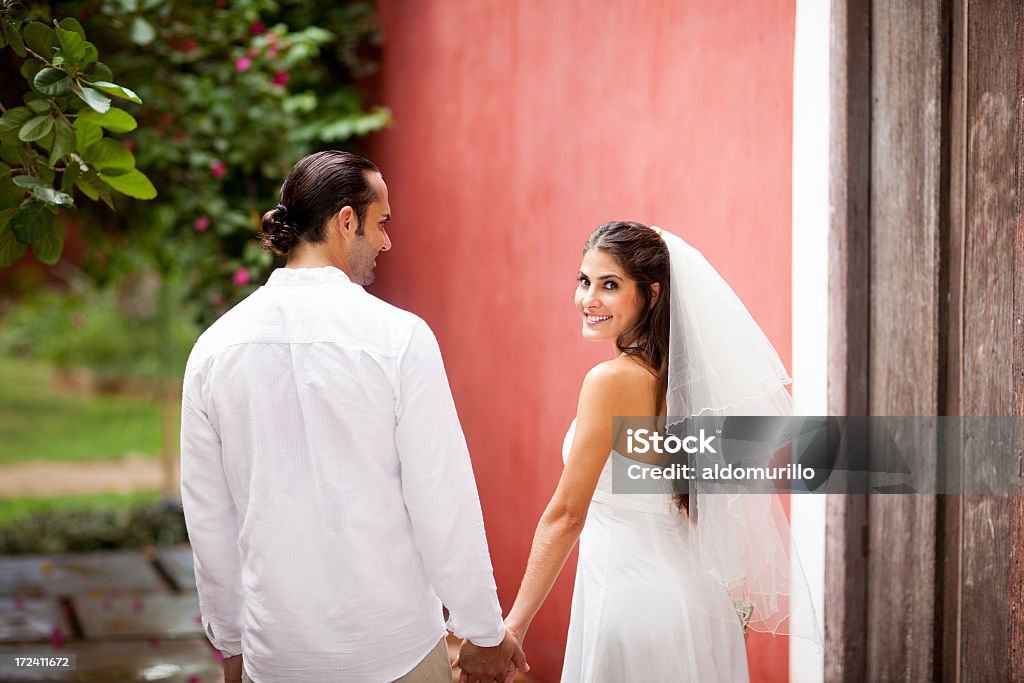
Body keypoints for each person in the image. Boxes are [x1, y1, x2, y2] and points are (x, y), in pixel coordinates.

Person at [180, 151, 527, 683]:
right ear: (347, 222)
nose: (387, 241)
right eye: (382, 222)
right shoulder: (400, 338)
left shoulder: (213, 348)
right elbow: (442, 499)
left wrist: (231, 644)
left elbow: (209, 518)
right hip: (396, 653)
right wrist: (482, 632)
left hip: (276, 657)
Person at [503, 221, 818, 682]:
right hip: (695, 601)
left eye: (610, 285)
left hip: (632, 603)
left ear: (651, 295)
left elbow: (567, 514)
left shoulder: (610, 382)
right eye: (584, 281)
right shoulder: (683, 389)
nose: (589, 299)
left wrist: (513, 626)